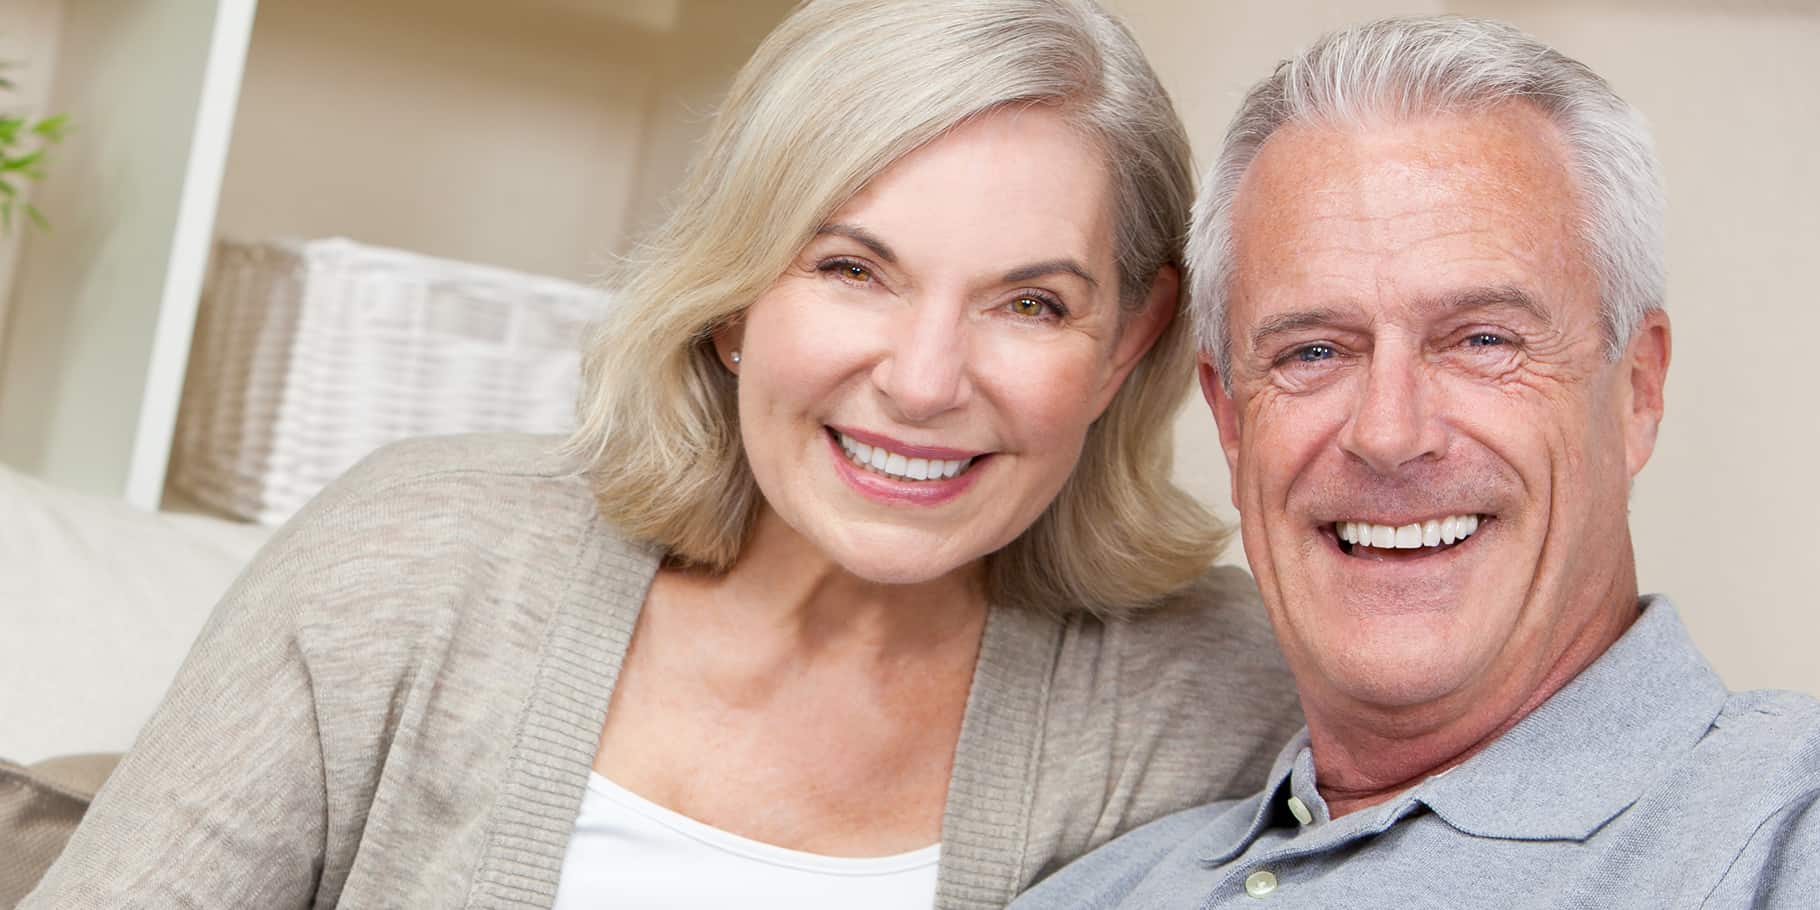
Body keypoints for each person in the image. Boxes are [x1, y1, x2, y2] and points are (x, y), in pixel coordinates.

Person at [22, 2, 1304, 908]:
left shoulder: (1218, 697)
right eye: (851, 268)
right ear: (734, 294)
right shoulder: (410, 558)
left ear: (1130, 337)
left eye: (1029, 303)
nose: (921, 380)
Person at [1013, 14, 1820, 908]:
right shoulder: (1091, 893)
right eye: (1312, 352)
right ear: (1230, 419)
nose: (1389, 433)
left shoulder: (1783, 829)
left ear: (1636, 390)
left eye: (1481, 339)